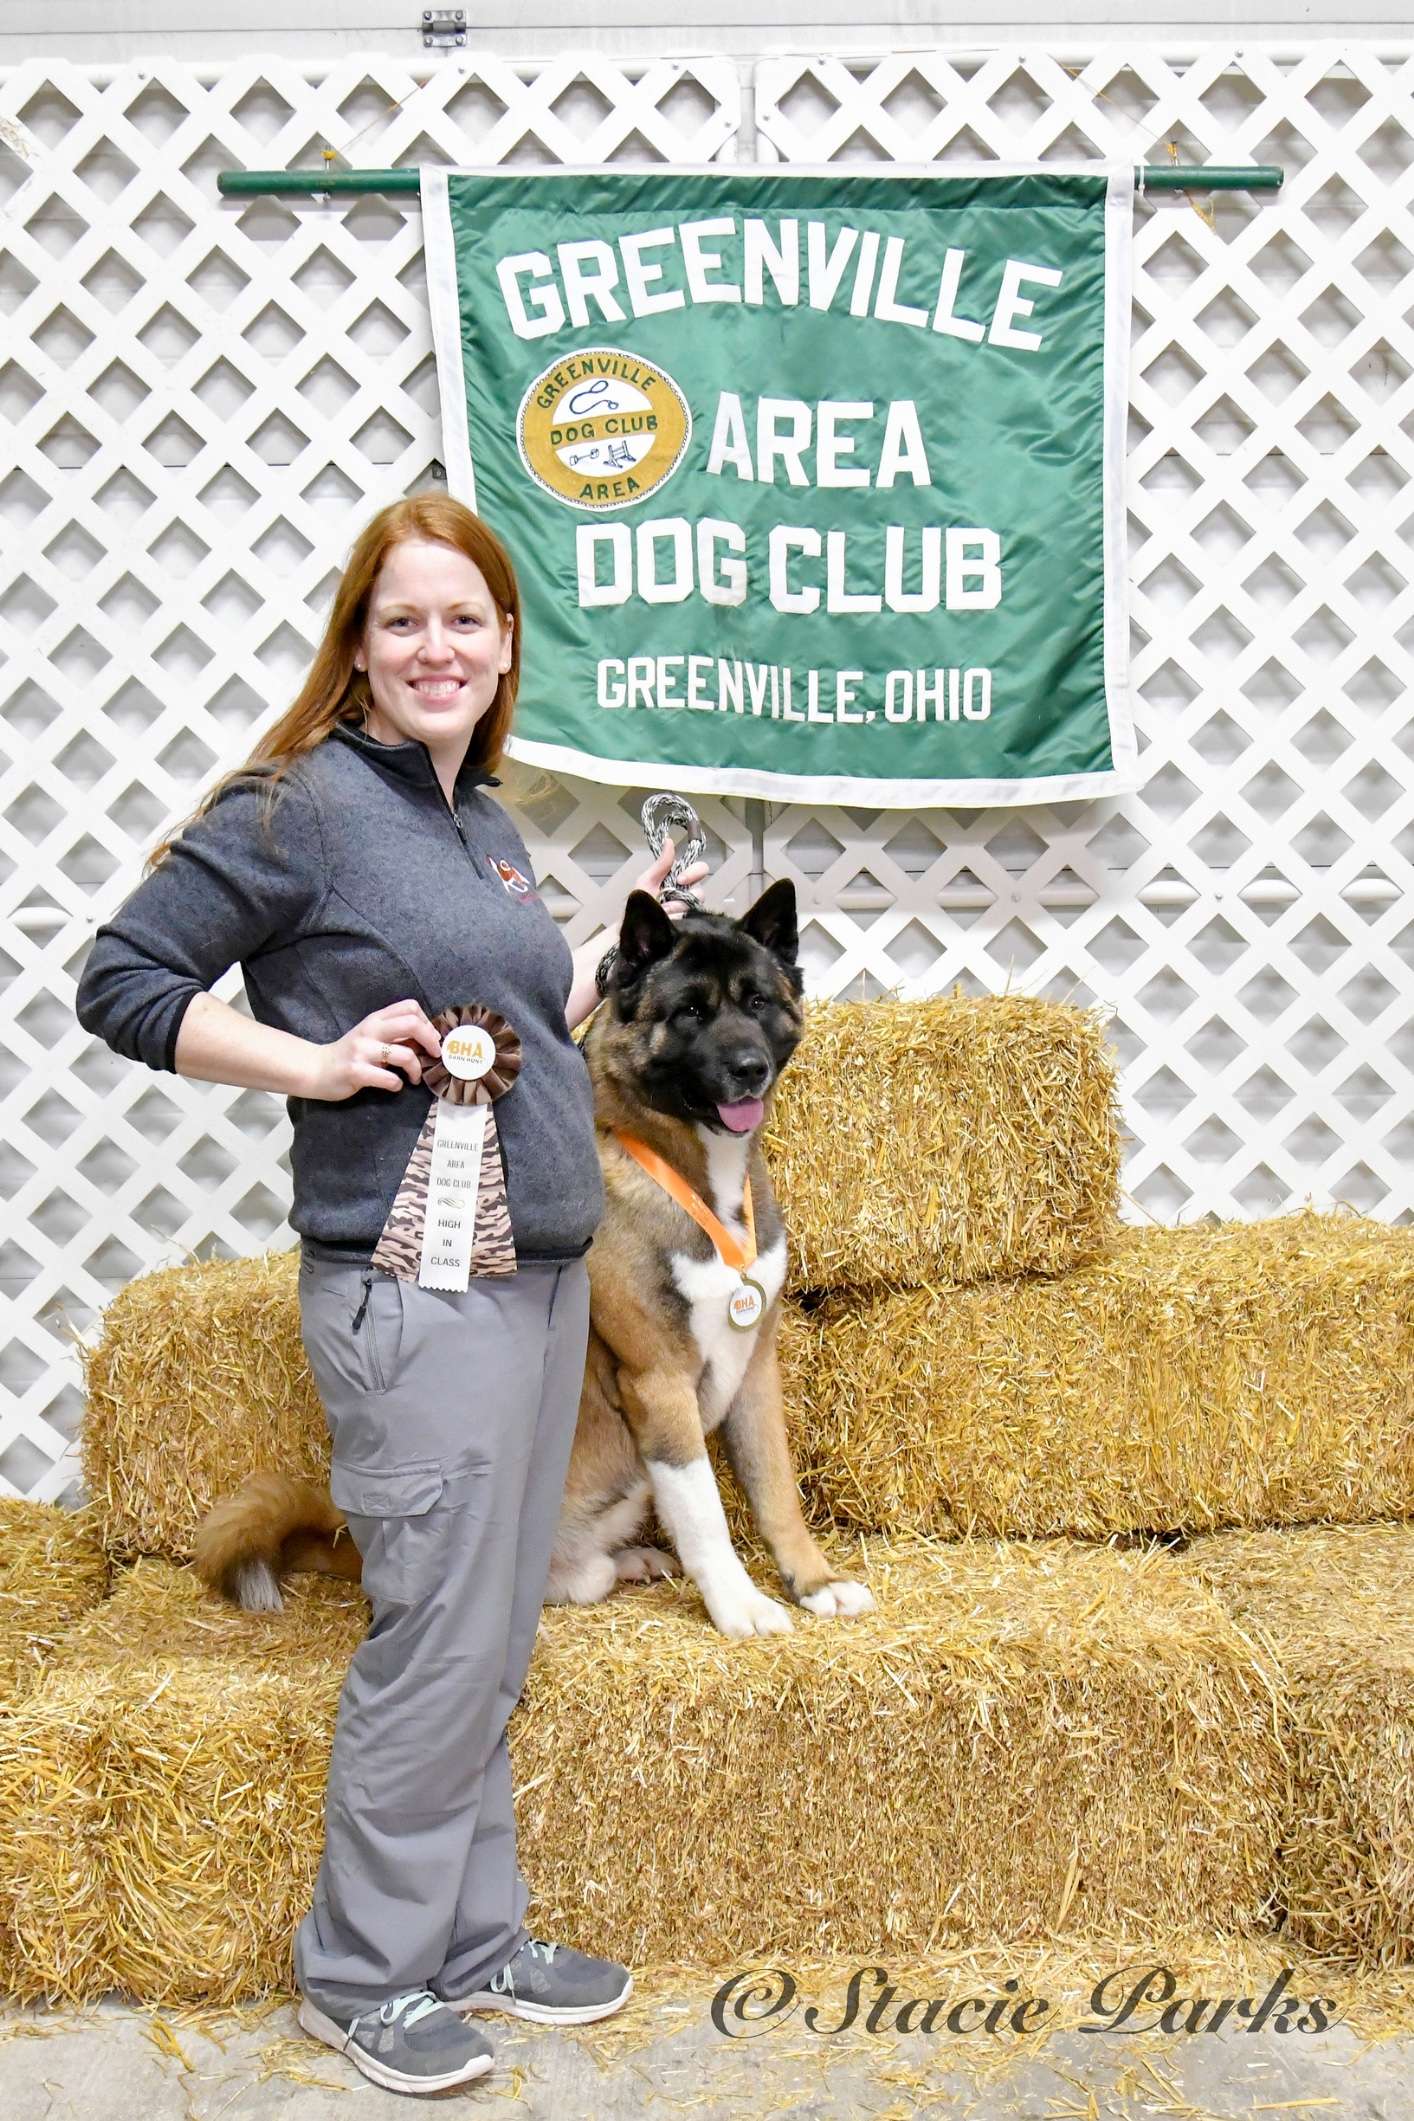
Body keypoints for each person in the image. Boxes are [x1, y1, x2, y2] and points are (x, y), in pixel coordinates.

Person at [74, 493, 709, 2098]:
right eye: (404, 618)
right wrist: (311, 1060)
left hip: (534, 1281)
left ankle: (469, 1937)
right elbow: (122, 978)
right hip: (413, 1293)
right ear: (357, 643)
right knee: (434, 1636)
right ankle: (362, 1975)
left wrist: (615, 932)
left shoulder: (473, 816)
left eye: (465, 620)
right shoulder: (298, 804)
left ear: (504, 645)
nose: (438, 646)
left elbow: (512, 1021)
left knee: (490, 1629)